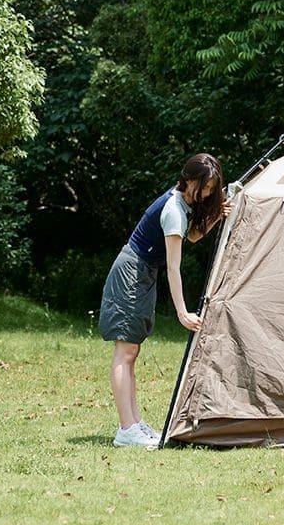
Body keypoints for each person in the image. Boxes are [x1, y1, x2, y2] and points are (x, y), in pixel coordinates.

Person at [98, 153, 232, 448]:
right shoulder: (173, 209)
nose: (207, 194)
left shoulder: (183, 203)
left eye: (212, 189)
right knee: (125, 352)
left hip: (143, 273)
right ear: (189, 179)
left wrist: (215, 216)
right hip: (132, 272)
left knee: (131, 352)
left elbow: (193, 236)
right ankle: (126, 429)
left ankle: (133, 424)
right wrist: (183, 313)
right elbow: (174, 267)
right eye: (204, 187)